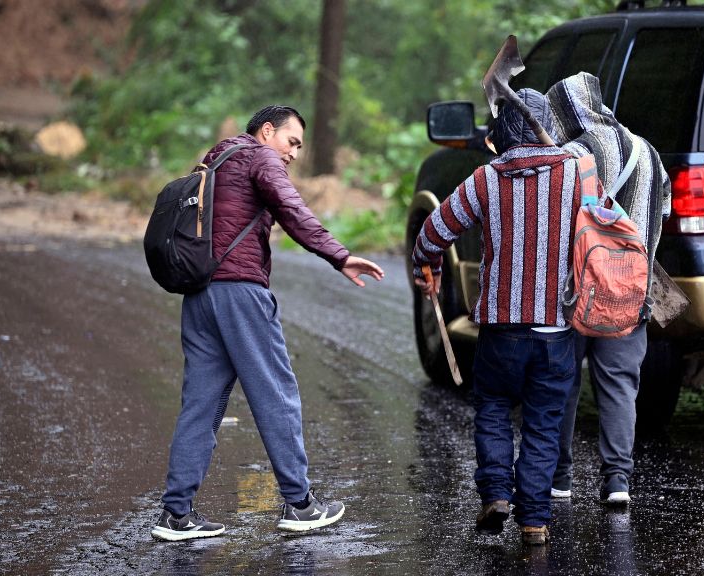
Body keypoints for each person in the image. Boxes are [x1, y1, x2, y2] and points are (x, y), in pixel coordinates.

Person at [151, 105, 385, 542]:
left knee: (200, 406)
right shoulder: (261, 158)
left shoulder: (213, 160)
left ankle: (175, 514)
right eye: (291, 141)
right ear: (266, 131)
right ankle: (300, 504)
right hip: (240, 292)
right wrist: (339, 255)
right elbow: (292, 209)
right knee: (276, 394)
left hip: (199, 295)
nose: (293, 153)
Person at [412, 89, 591, 545]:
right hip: (556, 330)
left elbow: (433, 232)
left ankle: (495, 493)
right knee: (543, 422)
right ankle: (534, 521)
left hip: (501, 330)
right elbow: (606, 229)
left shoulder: (487, 178)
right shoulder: (576, 173)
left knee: (492, 407)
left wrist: (425, 268)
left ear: (502, 130)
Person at [546, 72, 671, 505]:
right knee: (620, 386)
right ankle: (617, 480)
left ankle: (559, 478)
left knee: (562, 383)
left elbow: (556, 220)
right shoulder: (649, 152)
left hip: (577, 292)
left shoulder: (571, 155)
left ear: (567, 112)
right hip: (632, 293)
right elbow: (665, 211)